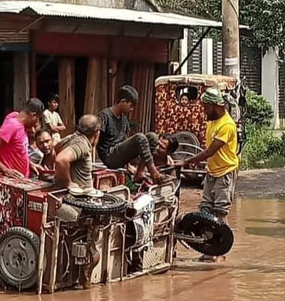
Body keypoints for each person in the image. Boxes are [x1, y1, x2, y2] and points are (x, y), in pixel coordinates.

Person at [175, 88, 240, 259]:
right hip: (211, 171)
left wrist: (185, 162)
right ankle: (209, 250)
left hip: (225, 172)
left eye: (205, 107)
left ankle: (221, 250)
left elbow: (208, 152)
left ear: (214, 106)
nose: (203, 111)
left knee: (220, 212)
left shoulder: (226, 125)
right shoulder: (212, 120)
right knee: (205, 210)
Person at [97, 85, 169, 182]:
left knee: (152, 137)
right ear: (122, 101)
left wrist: (128, 165)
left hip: (119, 154)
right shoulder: (104, 115)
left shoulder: (123, 118)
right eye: (131, 106)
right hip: (109, 156)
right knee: (140, 137)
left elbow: (124, 141)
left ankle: (140, 172)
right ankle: (154, 173)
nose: (132, 109)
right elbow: (95, 137)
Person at [0, 98, 45, 179]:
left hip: (21, 180)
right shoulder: (13, 125)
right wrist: (5, 170)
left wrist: (31, 164)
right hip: (11, 182)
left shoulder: (14, 116)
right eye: (38, 119)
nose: (37, 122)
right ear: (33, 115)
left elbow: (17, 150)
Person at [54, 114, 102, 191]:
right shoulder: (82, 144)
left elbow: (55, 148)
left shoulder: (70, 138)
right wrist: (68, 183)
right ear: (97, 133)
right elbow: (61, 160)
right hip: (77, 196)